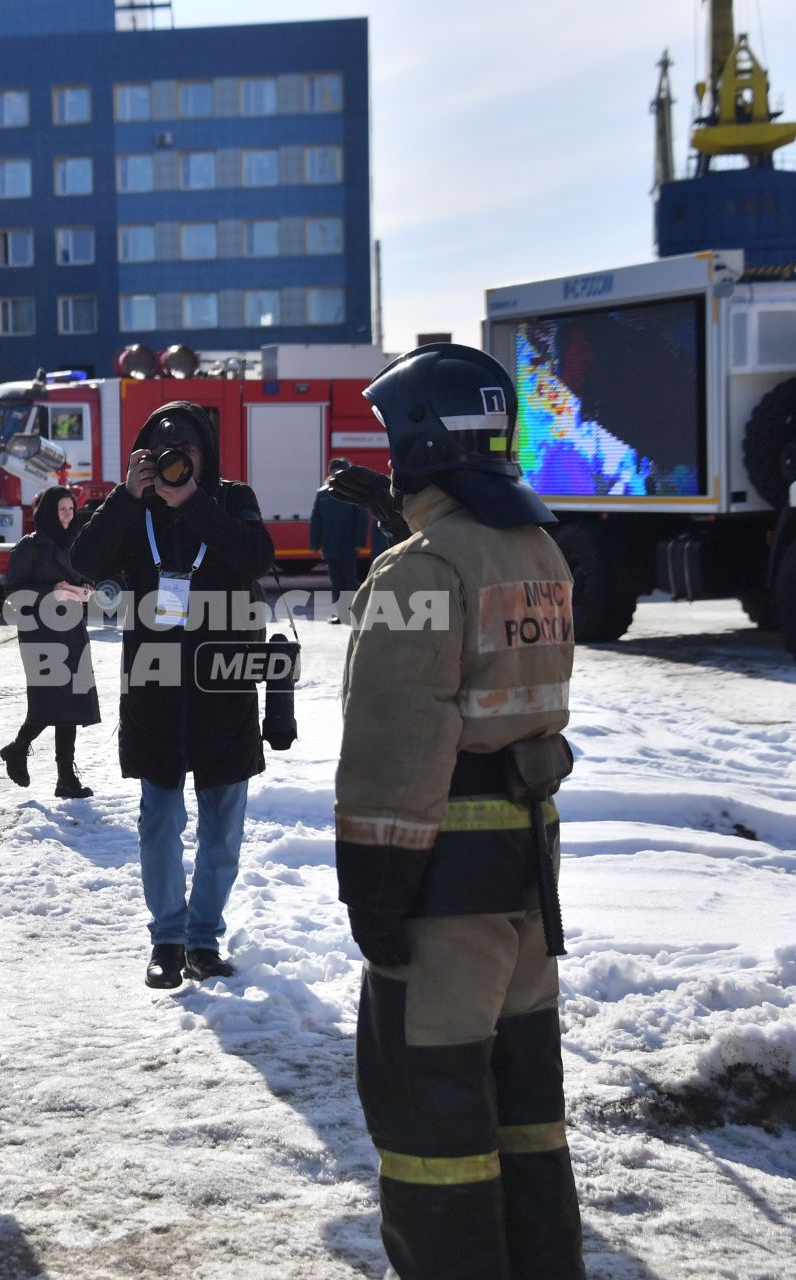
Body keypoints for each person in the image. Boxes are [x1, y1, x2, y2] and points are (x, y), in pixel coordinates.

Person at [332, 344, 584, 1279]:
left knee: (433, 1129)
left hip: (442, 895)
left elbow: (398, 740)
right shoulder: (539, 548)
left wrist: (375, 888)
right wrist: (403, 520)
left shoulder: (417, 573)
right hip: (528, 890)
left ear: (421, 445)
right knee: (526, 1117)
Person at [71, 402, 273, 988]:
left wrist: (196, 504)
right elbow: (85, 560)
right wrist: (125, 499)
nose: (176, 466)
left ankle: (203, 941)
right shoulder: (133, 507)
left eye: (187, 455)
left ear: (206, 456)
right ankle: (167, 939)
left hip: (223, 686)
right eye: (165, 455)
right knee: (158, 819)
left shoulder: (233, 499)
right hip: (155, 686)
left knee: (222, 823)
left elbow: (257, 557)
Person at [0, 485, 99, 799]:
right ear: (48, 512)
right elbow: (11, 593)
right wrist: (51, 592)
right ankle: (18, 748)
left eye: (71, 509)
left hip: (71, 633)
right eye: (62, 509)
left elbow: (84, 578)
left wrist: (86, 590)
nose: (68, 515)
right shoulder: (30, 546)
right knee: (47, 703)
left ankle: (65, 778)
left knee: (70, 705)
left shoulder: (76, 543)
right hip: (40, 635)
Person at [309, 457, 370, 622]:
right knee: (336, 582)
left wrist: (359, 543)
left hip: (348, 545)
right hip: (330, 546)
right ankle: (341, 614)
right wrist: (315, 543)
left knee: (349, 581)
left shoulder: (354, 493)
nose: (336, 475)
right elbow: (316, 519)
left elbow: (361, 520)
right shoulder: (323, 493)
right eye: (334, 472)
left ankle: (354, 612)